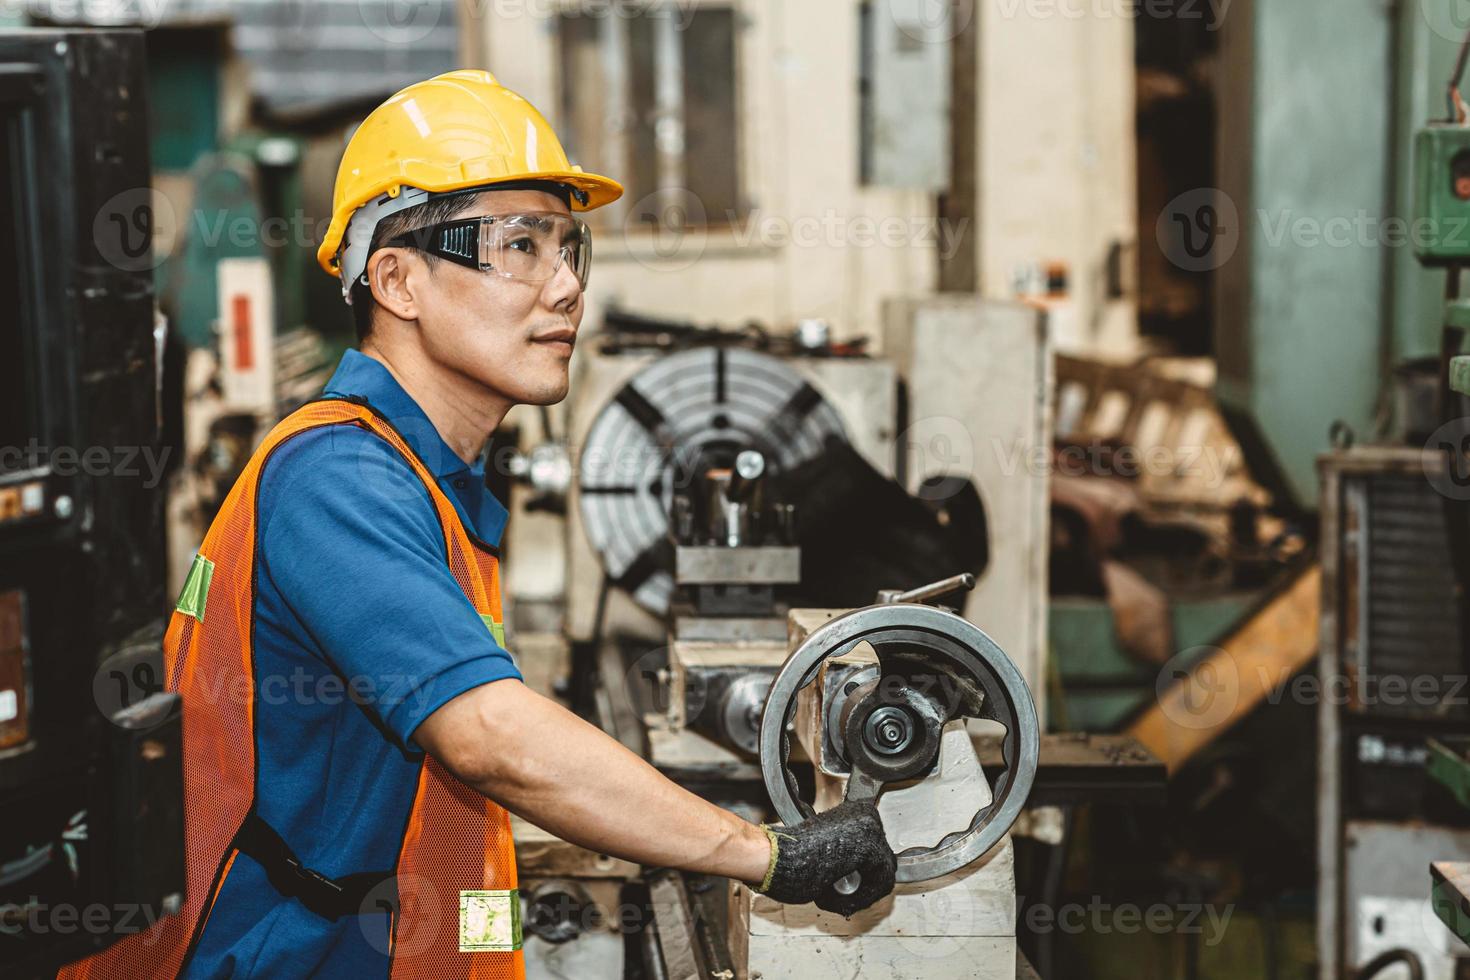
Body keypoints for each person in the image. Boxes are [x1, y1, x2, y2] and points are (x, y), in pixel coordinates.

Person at [59, 70, 894, 980]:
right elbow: (490, 736)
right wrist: (767, 853)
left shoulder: (427, 476)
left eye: (571, 249)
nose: (567, 287)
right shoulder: (337, 477)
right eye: (522, 246)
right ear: (397, 280)